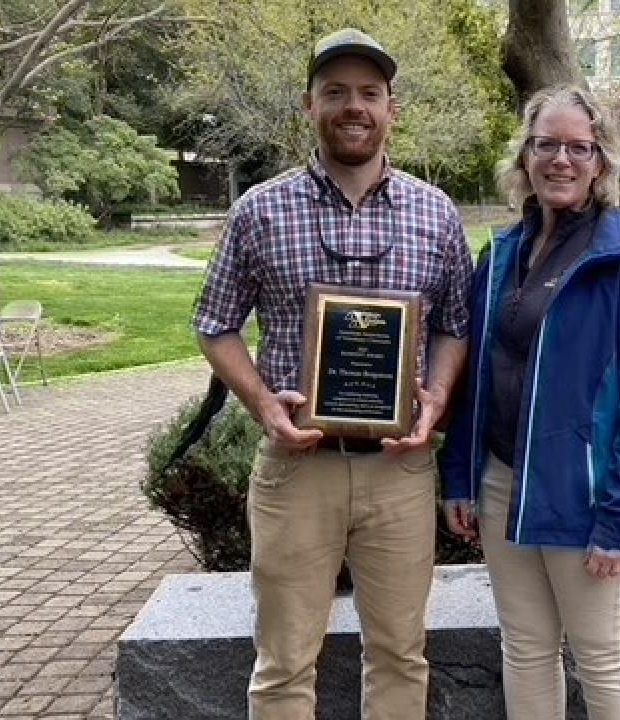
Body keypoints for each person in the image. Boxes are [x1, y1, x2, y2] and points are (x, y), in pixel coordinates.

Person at [191, 27, 473, 720]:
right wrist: (262, 404)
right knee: (284, 662)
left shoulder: (435, 212)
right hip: (296, 470)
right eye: (336, 92)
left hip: (399, 472)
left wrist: (434, 400)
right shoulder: (259, 208)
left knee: (401, 656)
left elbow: (455, 326)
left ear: (391, 108)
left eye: (370, 94)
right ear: (309, 105)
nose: (355, 107)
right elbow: (214, 323)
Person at [439, 84, 620, 720]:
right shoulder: (499, 257)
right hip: (500, 484)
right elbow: (475, 376)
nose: (561, 160)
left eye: (579, 147)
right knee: (524, 647)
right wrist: (459, 476)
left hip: (586, 494)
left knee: (601, 653)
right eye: (547, 145)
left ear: (601, 162)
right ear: (525, 157)